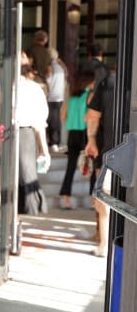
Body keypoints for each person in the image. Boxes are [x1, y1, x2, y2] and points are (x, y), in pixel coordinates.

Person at [84, 68, 116, 257]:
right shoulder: (109, 82)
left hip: (109, 153)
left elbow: (93, 115)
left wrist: (91, 139)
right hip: (111, 152)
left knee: (103, 201)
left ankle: (104, 245)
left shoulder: (108, 82)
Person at [16, 53, 50, 215]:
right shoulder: (34, 89)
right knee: (27, 173)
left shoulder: (5, 86)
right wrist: (44, 150)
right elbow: (39, 124)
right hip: (25, 134)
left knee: (23, 174)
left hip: (13, 133)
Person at [58, 68, 95, 209]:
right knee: (92, 166)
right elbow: (90, 116)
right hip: (85, 133)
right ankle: (93, 199)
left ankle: (66, 199)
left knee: (71, 167)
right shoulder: (89, 96)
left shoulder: (71, 97)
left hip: (72, 134)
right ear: (89, 82)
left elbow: (63, 116)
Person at [46, 48, 67, 151]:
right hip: (59, 97)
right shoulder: (61, 68)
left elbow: (48, 82)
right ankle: (56, 141)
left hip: (51, 97)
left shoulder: (50, 68)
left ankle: (54, 142)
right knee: (56, 119)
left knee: (52, 119)